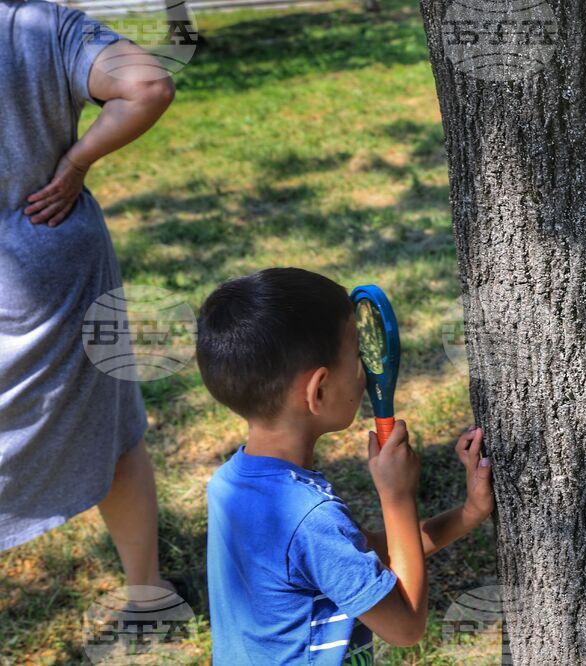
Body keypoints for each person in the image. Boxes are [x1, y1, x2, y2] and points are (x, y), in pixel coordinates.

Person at [196, 267, 495, 664]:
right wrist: (397, 496)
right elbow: (406, 628)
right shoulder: (311, 519)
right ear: (318, 390)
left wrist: (469, 513)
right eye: (357, 356)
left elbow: (369, 555)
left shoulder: (229, 485)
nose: (366, 372)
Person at [0, 0, 176, 594]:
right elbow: (147, 85)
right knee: (113, 434)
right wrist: (76, 161)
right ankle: (147, 593)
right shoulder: (41, 24)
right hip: (51, 255)